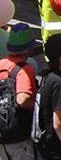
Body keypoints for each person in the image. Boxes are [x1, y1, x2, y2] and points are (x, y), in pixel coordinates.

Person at [0, 24, 38, 160]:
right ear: (30, 49)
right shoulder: (24, 69)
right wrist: (37, 107)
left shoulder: (2, 64)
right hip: (18, 135)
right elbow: (22, 100)